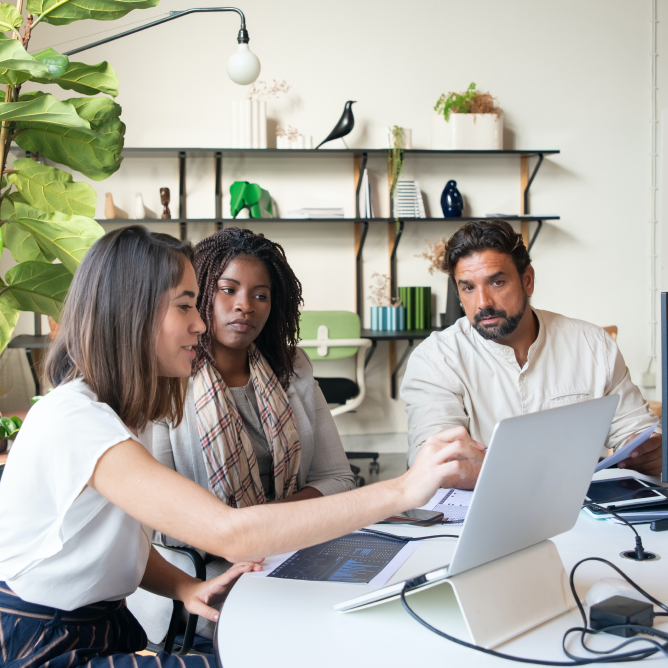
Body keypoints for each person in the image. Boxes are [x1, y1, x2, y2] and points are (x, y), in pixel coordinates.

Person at [0, 226, 482, 668]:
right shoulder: (78, 420)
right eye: (187, 305)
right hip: (45, 643)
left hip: (100, 624)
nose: (200, 324)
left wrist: (184, 586)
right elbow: (229, 533)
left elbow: (113, 538)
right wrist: (403, 489)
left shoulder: (125, 412)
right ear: (133, 312)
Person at [147, 227, 355, 640]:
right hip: (212, 575)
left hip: (298, 553)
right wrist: (246, 534)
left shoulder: (292, 367)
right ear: (201, 291)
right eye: (228, 289)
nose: (245, 306)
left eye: (261, 295)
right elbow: (159, 523)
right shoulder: (167, 376)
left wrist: (270, 528)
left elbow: (338, 479)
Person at [401, 219, 661, 489]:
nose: (483, 303)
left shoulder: (593, 345)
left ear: (527, 281)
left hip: (581, 515)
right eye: (468, 287)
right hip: (477, 519)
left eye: (497, 282)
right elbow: (435, 465)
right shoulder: (435, 359)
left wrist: (649, 451)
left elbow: (640, 432)